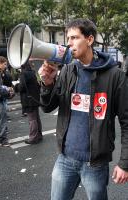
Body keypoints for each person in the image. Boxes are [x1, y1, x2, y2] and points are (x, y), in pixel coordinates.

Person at [38, 18, 128, 200]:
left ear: (89, 39)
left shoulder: (115, 76)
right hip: (65, 159)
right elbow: (48, 107)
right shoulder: (68, 71)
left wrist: (125, 163)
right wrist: (47, 84)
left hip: (95, 163)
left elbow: (127, 122)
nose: (69, 43)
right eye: (67, 38)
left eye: (74, 37)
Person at [15, 61, 42, 144]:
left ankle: (33, 137)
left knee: (32, 119)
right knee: (36, 118)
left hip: (28, 100)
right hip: (34, 98)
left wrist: (16, 86)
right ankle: (39, 135)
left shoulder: (24, 74)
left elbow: (22, 87)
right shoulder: (32, 73)